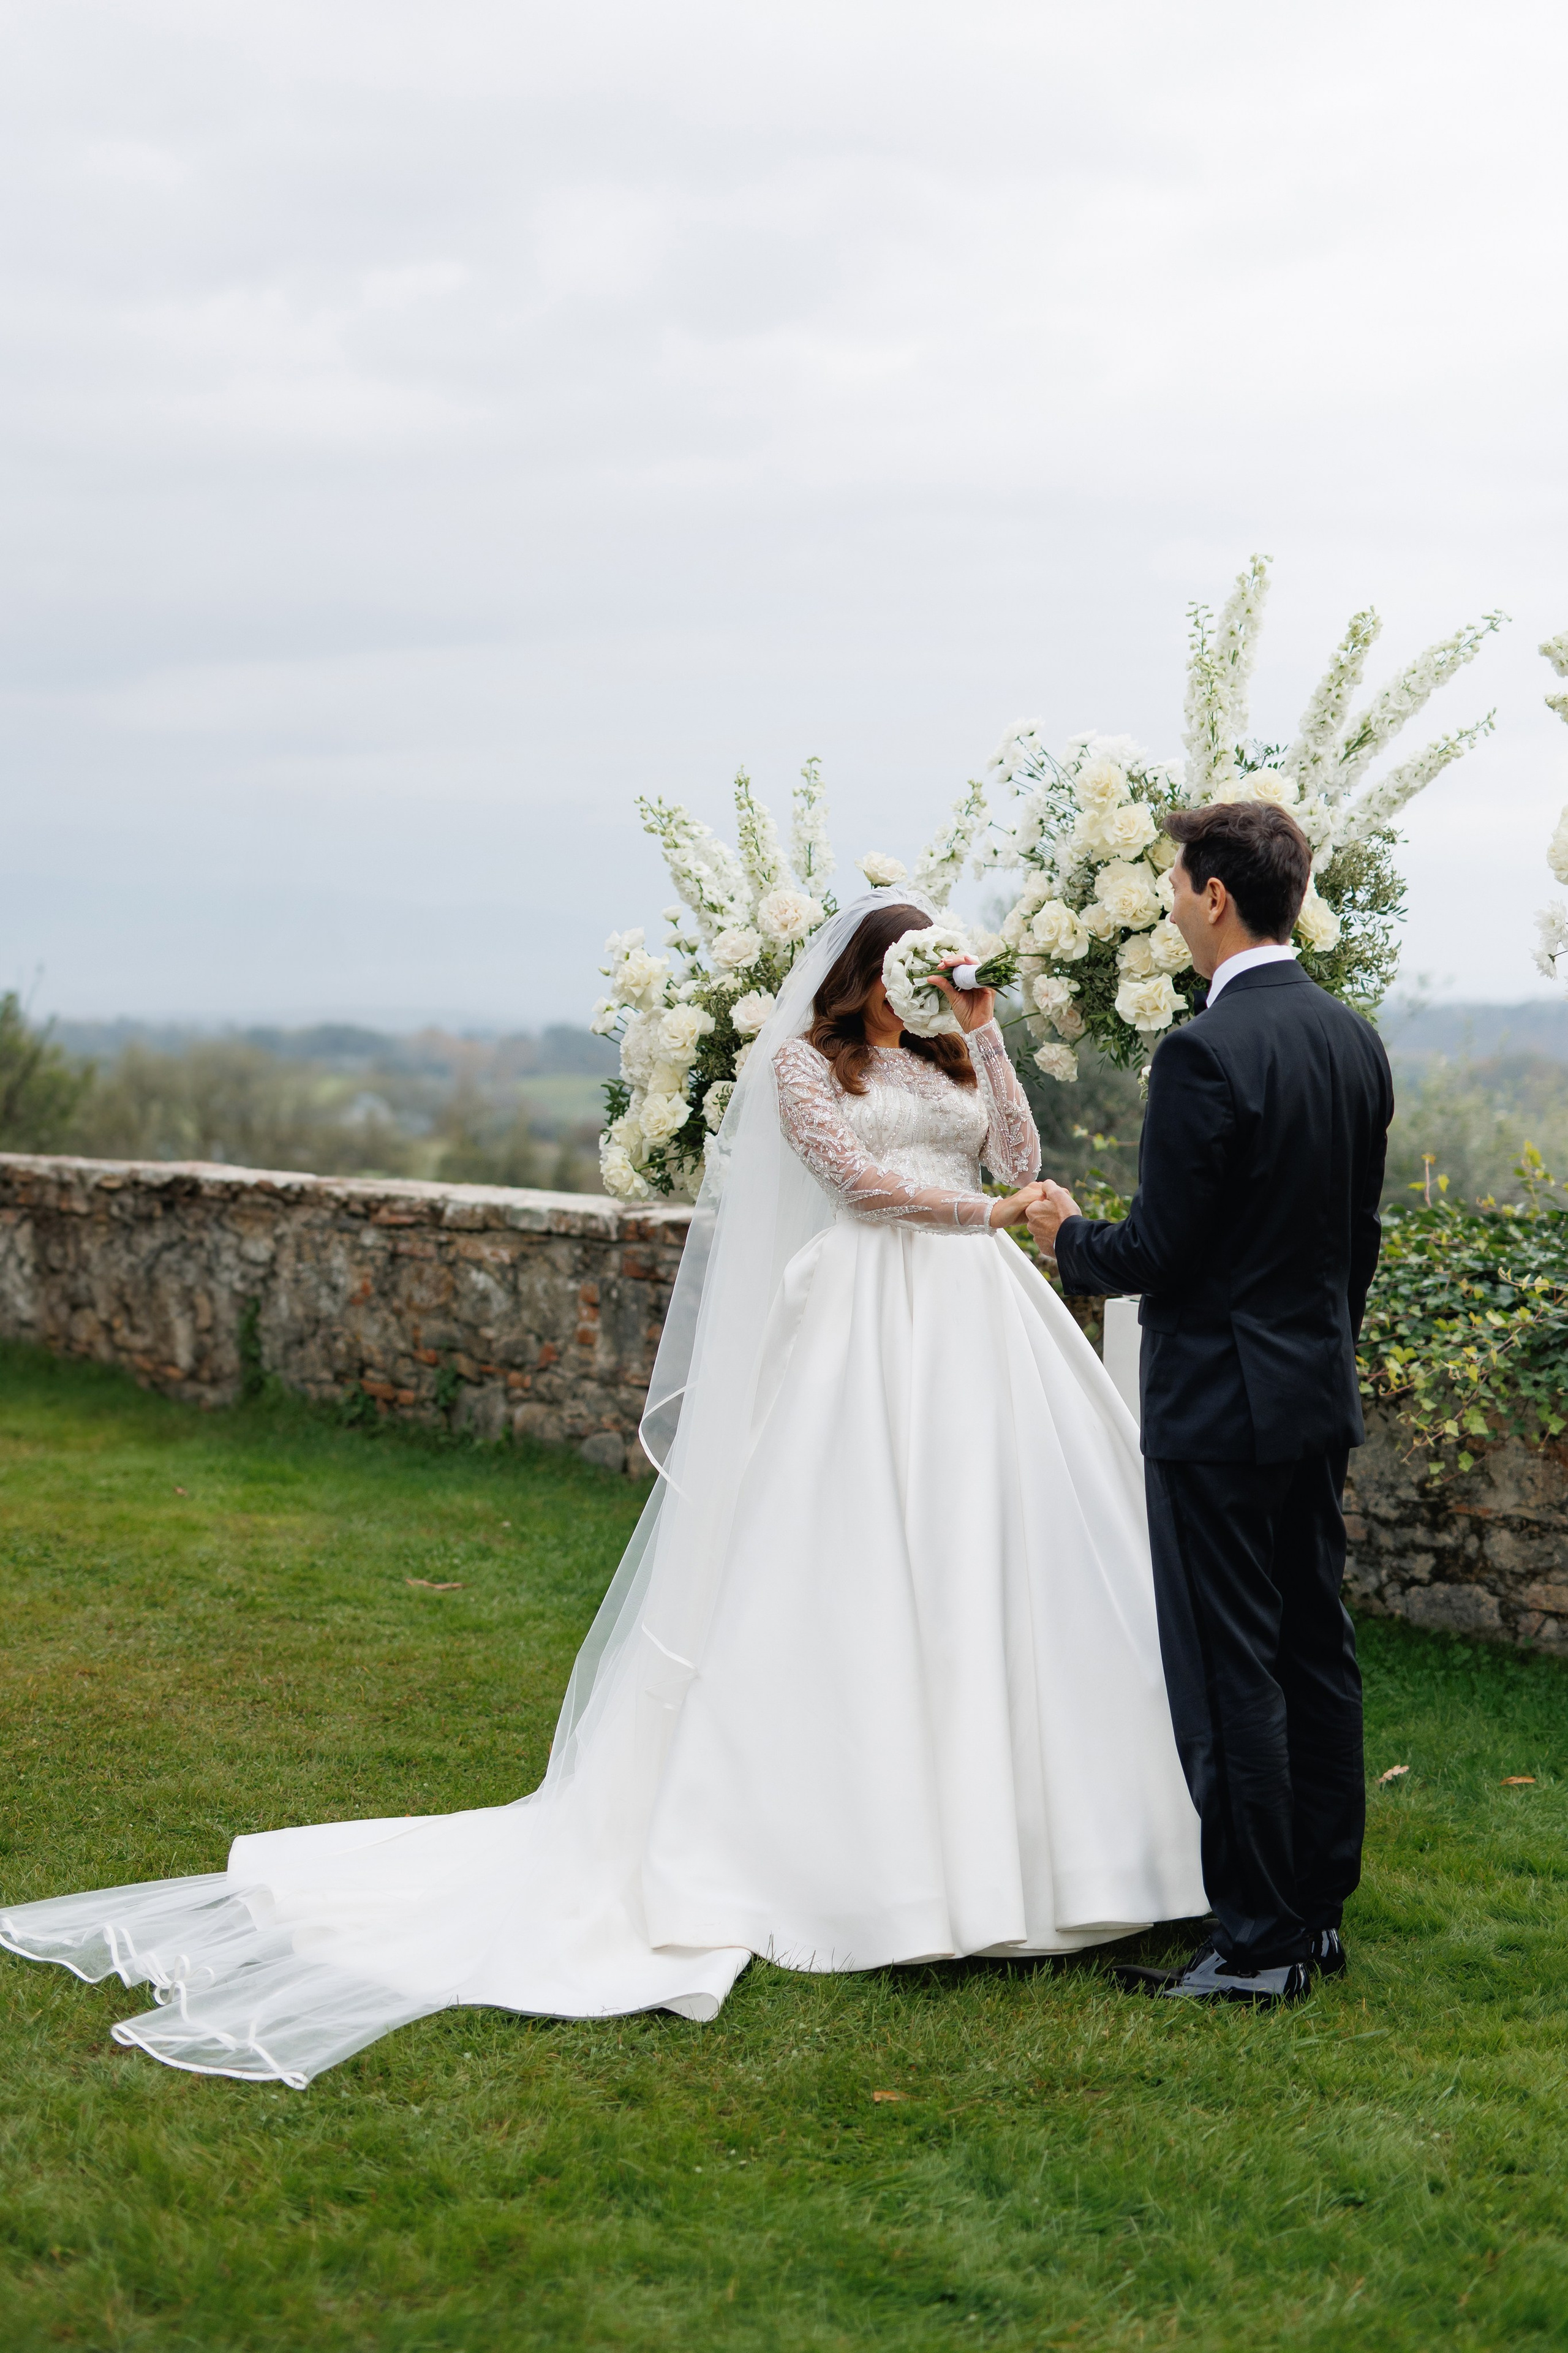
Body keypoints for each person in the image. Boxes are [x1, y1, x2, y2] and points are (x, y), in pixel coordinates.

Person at [1, 892, 1204, 2086]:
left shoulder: (951, 1048)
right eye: (914, 966)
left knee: (992, 1549)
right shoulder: (797, 1064)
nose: (928, 982)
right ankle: (863, 1847)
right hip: (859, 1323)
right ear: (863, 970)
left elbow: (1022, 1157)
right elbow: (856, 1188)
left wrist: (984, 1030)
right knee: (847, 1562)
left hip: (973, 1327)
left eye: (938, 967)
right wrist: (990, 1212)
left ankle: (1051, 1843)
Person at [1030, 802, 1394, 2009]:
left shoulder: (1202, 1052)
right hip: (1307, 1391)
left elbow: (1163, 1250)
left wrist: (1067, 1236)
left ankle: (1252, 1940)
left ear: (1215, 899)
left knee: (1225, 1665)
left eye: (1176, 887)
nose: (1173, 906)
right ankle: (1314, 1915)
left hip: (1213, 1406)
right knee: (1312, 1650)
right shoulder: (1349, 1038)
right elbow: (1354, 1244)